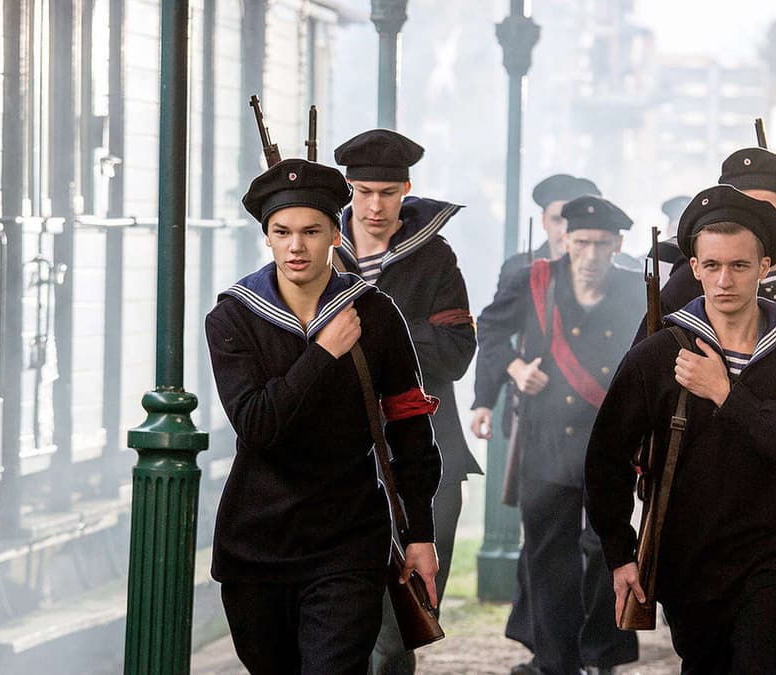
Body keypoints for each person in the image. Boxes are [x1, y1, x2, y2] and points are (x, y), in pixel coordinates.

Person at [586, 184, 776, 674]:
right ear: (695, 268)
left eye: (740, 265)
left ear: (764, 266)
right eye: (712, 265)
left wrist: (725, 393)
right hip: (689, 555)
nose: (725, 280)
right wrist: (620, 553)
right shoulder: (657, 354)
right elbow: (606, 457)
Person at [205, 158, 442, 674]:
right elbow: (258, 426)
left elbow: (410, 427)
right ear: (267, 238)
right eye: (282, 232)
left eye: (311, 231)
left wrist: (420, 532)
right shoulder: (233, 317)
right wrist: (323, 353)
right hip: (256, 544)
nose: (297, 246)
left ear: (336, 234)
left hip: (348, 539)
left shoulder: (375, 313)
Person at [473, 195, 642, 675]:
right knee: (548, 558)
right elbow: (490, 329)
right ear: (565, 240)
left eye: (602, 244)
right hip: (545, 439)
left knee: (608, 549)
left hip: (609, 442)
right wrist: (514, 369)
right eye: (582, 242)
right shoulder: (535, 279)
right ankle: (555, 663)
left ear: (618, 246)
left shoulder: (635, 289)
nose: (591, 255)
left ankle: (603, 655)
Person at [332, 128, 480, 675]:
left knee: (401, 621)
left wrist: (377, 336)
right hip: (340, 456)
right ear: (350, 190)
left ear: (406, 191)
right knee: (339, 618)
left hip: (428, 451)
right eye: (365, 192)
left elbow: (457, 350)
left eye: (388, 193)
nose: (375, 206)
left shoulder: (434, 256)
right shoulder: (318, 247)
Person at [634, 148, 776, 382]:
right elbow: (648, 355)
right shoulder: (692, 275)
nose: (753, 220)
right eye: (742, 209)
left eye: (767, 209)